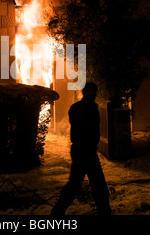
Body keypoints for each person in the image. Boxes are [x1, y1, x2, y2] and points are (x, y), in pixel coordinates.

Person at [51, 82, 112, 215]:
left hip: (80, 150)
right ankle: (104, 212)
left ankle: (58, 211)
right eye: (89, 91)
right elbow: (89, 130)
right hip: (86, 151)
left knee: (77, 184)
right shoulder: (89, 108)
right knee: (97, 184)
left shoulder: (76, 107)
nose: (90, 94)